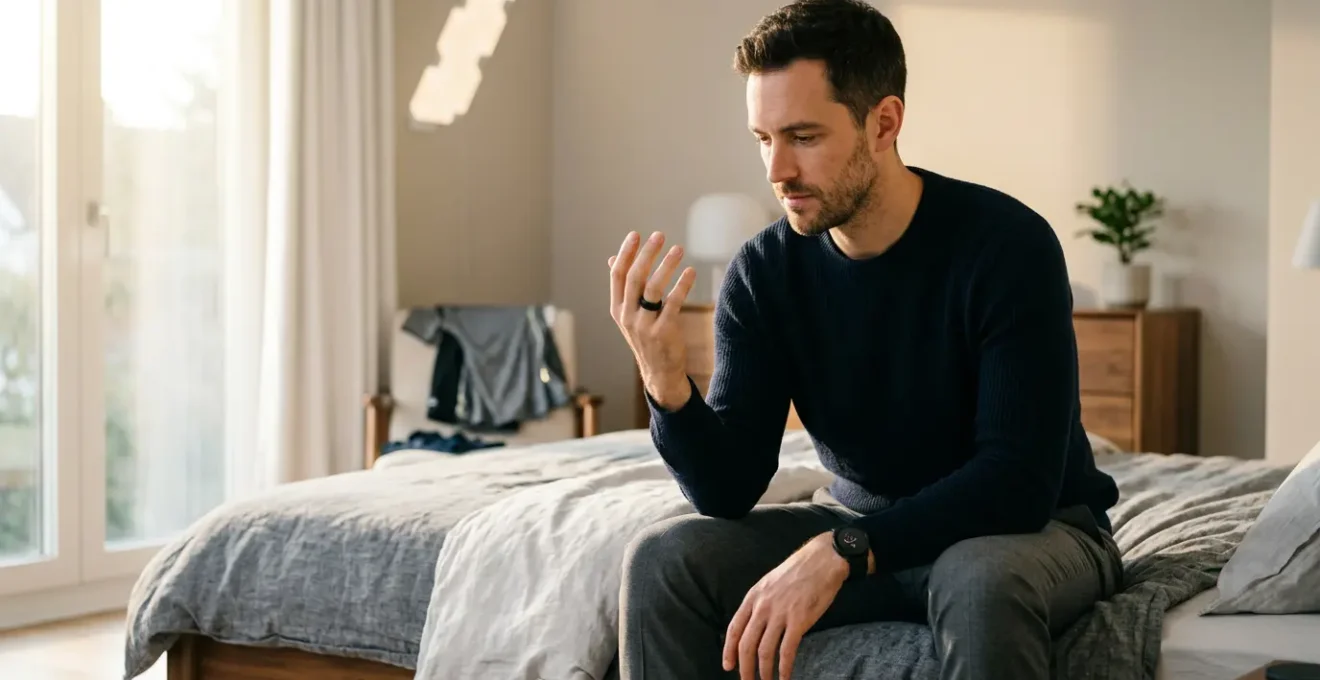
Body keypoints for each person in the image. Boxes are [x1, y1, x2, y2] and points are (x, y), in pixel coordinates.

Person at [605, 1, 1123, 679]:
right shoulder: (764, 273)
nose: (776, 170)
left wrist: (843, 548)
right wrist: (666, 384)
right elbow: (729, 490)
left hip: (1032, 531)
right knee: (664, 559)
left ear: (884, 123)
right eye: (763, 138)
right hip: (871, 536)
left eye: (803, 136)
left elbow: (1018, 483)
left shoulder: (1006, 246)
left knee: (978, 578)